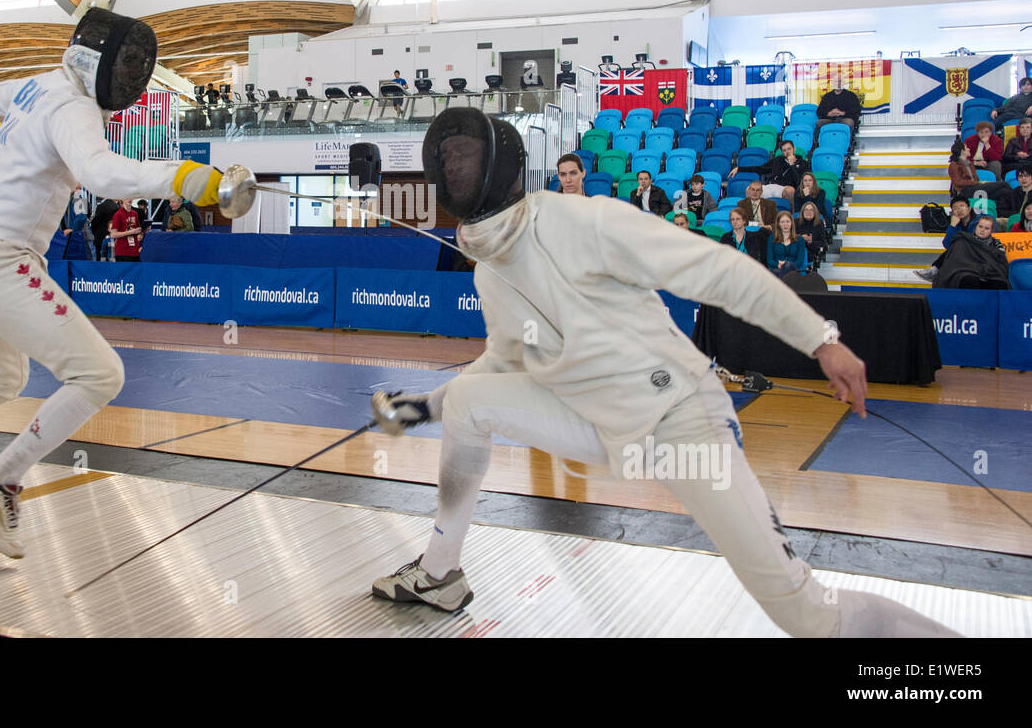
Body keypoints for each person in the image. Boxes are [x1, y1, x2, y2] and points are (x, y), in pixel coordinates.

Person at [369, 108, 955, 637]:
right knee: (472, 399)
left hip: (682, 425)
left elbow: (716, 269)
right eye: (445, 160)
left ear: (500, 164)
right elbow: (502, 362)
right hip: (602, 430)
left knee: (806, 612)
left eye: (463, 155)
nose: (453, 167)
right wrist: (426, 405)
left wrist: (820, 339)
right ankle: (439, 572)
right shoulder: (490, 274)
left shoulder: (586, 222)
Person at [0, 8, 247, 559]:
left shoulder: (39, 84)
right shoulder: (74, 106)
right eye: (128, 66)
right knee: (100, 374)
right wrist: (179, 174)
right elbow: (101, 174)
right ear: (103, 62)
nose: (131, 80)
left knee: (0, 380)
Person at [932, 216, 1009, 290]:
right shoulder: (965, 240)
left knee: (1000, 283)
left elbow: (1000, 261)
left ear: (991, 231)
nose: (982, 230)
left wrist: (985, 269)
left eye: (987, 228)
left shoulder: (996, 244)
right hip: (968, 270)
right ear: (976, 227)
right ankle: (935, 269)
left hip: (989, 273)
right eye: (980, 226)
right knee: (969, 280)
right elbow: (954, 256)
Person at [729, 139, 807, 204]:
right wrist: (739, 168)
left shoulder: (802, 163)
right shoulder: (777, 160)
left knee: (790, 191)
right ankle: (751, 218)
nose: (787, 152)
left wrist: (792, 165)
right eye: (784, 150)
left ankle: (792, 217)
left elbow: (798, 181)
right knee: (749, 189)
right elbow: (759, 168)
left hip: (785, 188)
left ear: (794, 149)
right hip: (771, 186)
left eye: (789, 149)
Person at [768, 210, 808, 276]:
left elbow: (800, 261)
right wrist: (778, 265)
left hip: (793, 270)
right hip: (776, 270)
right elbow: (770, 261)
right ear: (778, 224)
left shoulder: (800, 239)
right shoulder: (771, 239)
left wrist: (787, 266)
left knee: (788, 267)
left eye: (787, 222)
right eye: (782, 222)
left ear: (792, 223)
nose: (785, 225)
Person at [997, 164, 1032, 229]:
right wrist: (1017, 215)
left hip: (1030, 220)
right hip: (1012, 221)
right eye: (1020, 176)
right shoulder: (1010, 193)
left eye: (1026, 175)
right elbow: (1001, 210)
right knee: (996, 222)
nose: (1023, 178)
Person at [110, 198, 144, 262]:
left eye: (131, 197)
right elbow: (113, 234)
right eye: (127, 197)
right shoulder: (118, 214)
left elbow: (138, 229)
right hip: (123, 250)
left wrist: (140, 230)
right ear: (122, 200)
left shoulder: (135, 214)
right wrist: (130, 232)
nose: (130, 199)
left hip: (134, 249)